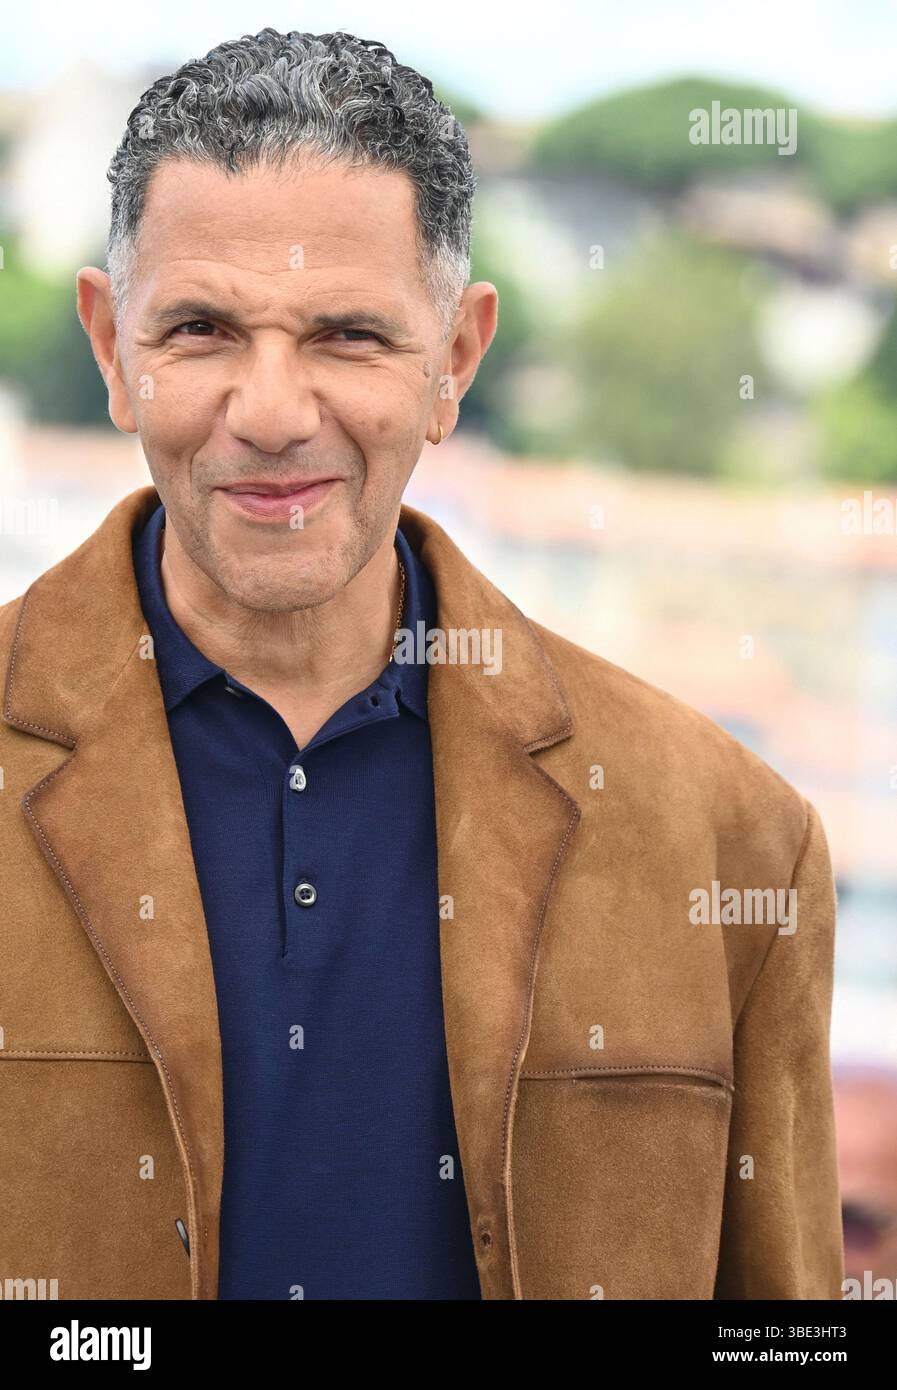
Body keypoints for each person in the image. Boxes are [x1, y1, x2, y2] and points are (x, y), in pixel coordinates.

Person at [0, 27, 843, 1300]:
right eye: (203, 328)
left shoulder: (730, 840)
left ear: (457, 358)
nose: (274, 411)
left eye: (346, 335)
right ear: (113, 348)